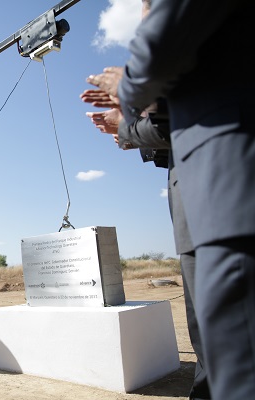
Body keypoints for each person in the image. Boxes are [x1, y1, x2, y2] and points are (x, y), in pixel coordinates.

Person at [97, 1, 255, 398]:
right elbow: (173, 120)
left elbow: (157, 55)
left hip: (229, 196)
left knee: (236, 352)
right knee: (212, 342)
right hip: (203, 202)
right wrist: (129, 127)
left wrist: (126, 100)